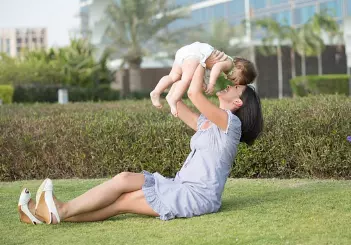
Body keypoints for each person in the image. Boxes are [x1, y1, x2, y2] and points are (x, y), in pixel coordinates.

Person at [17, 53, 263, 225]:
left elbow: (194, 94)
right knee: (123, 179)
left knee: (123, 202)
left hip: (196, 197)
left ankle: (59, 211)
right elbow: (177, 101)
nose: (231, 84)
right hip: (178, 184)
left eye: (236, 88)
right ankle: (44, 214)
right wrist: (182, 72)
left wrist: (202, 56)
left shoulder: (231, 124)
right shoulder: (208, 123)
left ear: (238, 102)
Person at [150, 41, 257, 116]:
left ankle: (156, 92)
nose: (230, 80)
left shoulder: (228, 64)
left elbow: (205, 68)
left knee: (173, 76)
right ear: (239, 68)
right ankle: (173, 99)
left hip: (188, 52)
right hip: (196, 54)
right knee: (186, 80)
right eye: (235, 79)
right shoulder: (229, 64)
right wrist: (211, 84)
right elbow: (215, 67)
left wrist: (204, 82)